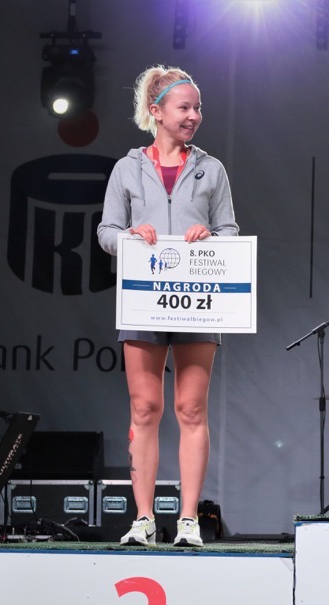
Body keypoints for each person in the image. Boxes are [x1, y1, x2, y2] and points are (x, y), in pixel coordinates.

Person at [97, 66, 238, 547]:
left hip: (197, 301)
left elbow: (230, 231)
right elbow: (106, 232)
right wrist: (130, 237)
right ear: (156, 111)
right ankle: (143, 518)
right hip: (145, 300)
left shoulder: (212, 169)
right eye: (184, 107)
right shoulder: (127, 168)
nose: (194, 115)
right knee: (144, 408)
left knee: (191, 408)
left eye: (198, 107)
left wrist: (210, 236)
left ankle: (189, 519)